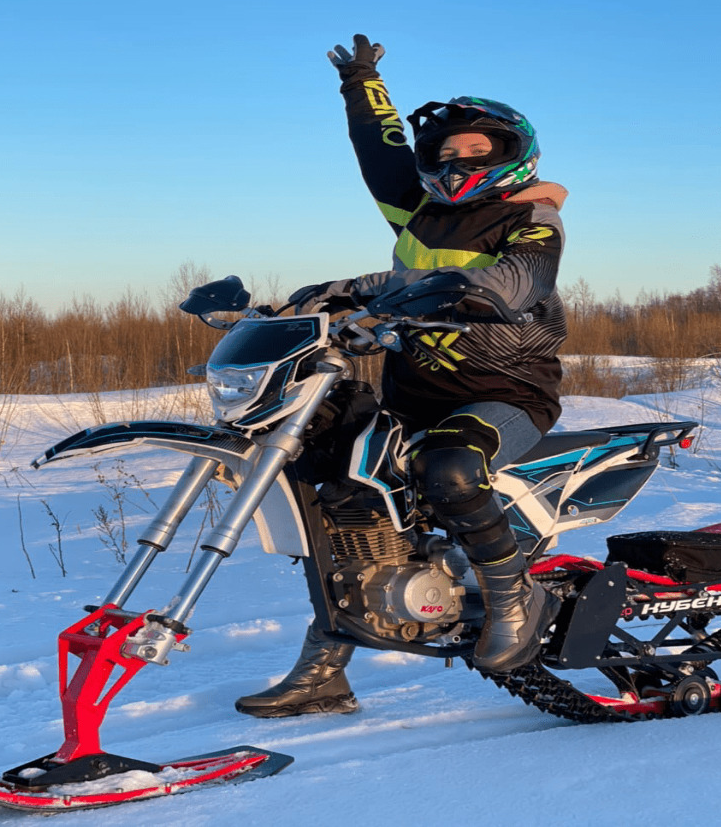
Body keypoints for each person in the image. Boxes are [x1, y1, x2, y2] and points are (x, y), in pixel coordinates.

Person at [235, 35, 568, 719]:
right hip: (411, 395)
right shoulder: (419, 211)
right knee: (328, 491)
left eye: (476, 150)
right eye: (446, 151)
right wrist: (362, 84)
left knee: (451, 471)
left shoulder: (531, 220)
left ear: (510, 155)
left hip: (504, 392)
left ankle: (514, 598)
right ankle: (327, 662)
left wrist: (432, 290)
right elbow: (381, 154)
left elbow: (515, 281)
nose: (457, 159)